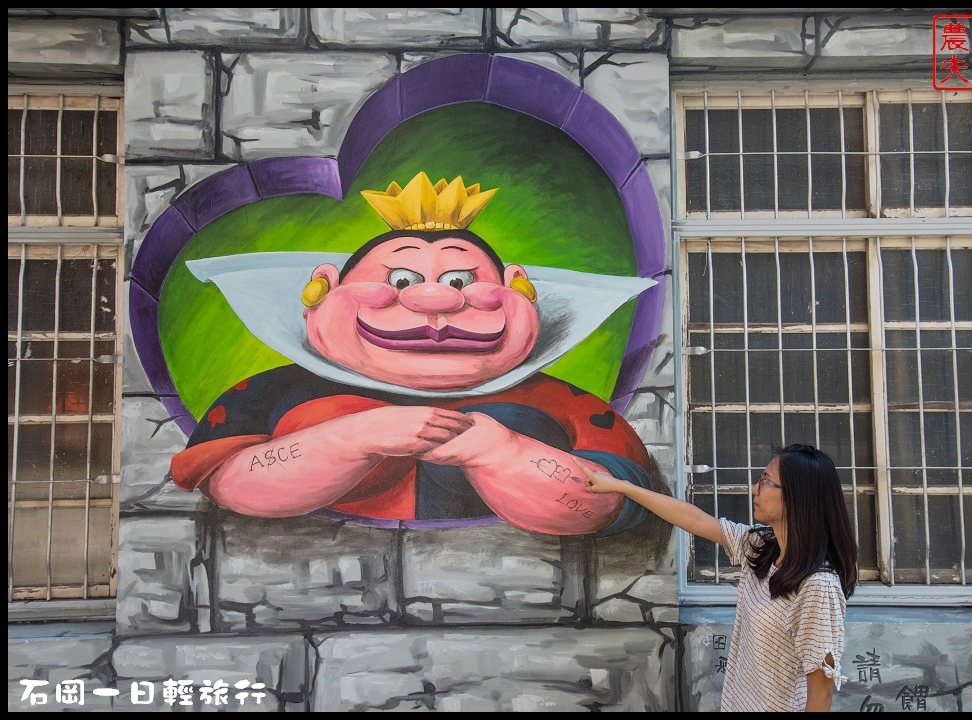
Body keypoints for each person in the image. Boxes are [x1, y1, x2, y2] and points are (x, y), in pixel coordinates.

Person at [170, 172, 657, 536]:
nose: (436, 300)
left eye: (462, 282)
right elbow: (225, 482)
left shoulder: (560, 401)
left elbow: (614, 500)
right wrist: (347, 439)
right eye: (399, 281)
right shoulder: (272, 391)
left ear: (519, 291)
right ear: (324, 289)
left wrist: (500, 451)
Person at [577, 443, 858, 711]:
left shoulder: (818, 586)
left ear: (796, 496)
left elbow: (820, 697)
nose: (754, 489)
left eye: (765, 481)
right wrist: (620, 487)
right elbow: (695, 520)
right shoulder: (761, 548)